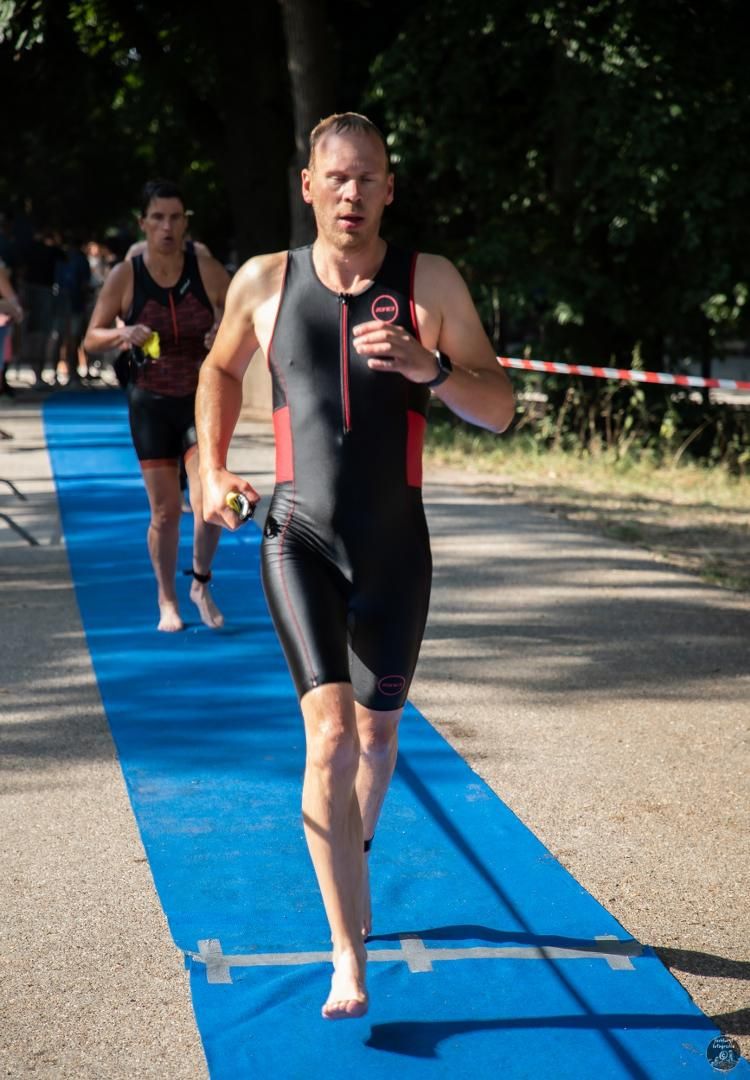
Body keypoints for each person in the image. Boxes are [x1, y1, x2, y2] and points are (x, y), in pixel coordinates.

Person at [195, 113, 515, 1020]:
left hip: (395, 546)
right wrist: (215, 467)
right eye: (334, 178)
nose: (351, 192)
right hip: (295, 535)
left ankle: (351, 856)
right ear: (308, 186)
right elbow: (220, 372)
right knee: (330, 737)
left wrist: (433, 367)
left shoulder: (430, 283)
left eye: (367, 178)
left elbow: (502, 409)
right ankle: (348, 948)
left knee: (378, 738)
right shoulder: (266, 280)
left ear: (389, 188)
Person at [84, 179, 231, 632]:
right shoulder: (126, 275)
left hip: (201, 399)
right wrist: (122, 334)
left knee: (210, 499)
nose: (168, 227)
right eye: (158, 218)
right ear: (143, 223)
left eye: (176, 218)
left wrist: (220, 329)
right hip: (150, 403)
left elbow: (238, 309)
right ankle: (167, 599)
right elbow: (90, 339)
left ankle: (200, 583)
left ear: (186, 222)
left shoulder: (202, 266)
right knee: (166, 512)